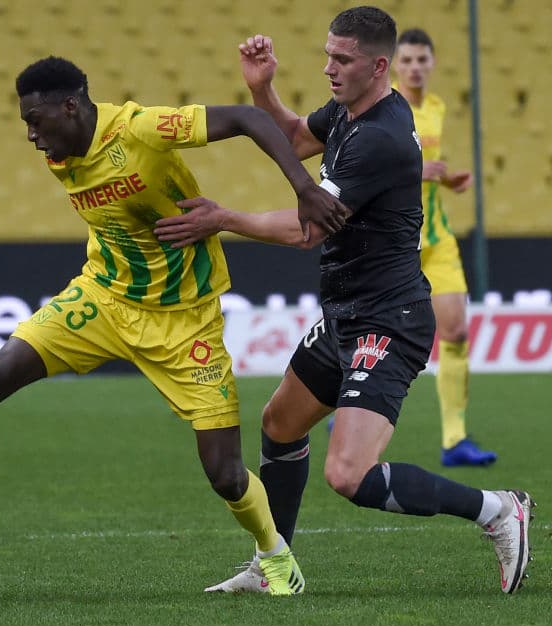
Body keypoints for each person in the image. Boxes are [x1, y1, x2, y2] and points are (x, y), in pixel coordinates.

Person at [0, 56, 347, 596]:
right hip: (102, 298)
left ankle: (274, 560)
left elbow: (246, 118)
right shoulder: (62, 148)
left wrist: (305, 188)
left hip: (185, 319)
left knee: (226, 474)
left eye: (35, 120)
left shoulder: (141, 128)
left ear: (70, 106)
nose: (30, 135)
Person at [154, 6, 531, 595]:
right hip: (345, 314)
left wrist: (224, 218)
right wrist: (263, 88)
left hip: (389, 318)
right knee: (279, 424)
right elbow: (298, 137)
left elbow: (309, 228)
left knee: (348, 474)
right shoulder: (354, 110)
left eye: (342, 59)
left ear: (378, 66)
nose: (329, 68)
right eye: (327, 54)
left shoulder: (379, 139)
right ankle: (273, 564)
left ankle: (498, 510)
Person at [392, 28, 495, 466]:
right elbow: (370, 169)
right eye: (408, 60)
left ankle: (455, 440)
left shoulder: (435, 108)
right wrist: (419, 172)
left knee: (455, 332)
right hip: (396, 241)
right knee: (378, 330)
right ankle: (347, 406)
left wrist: (445, 178)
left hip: (436, 237)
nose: (416, 67)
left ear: (433, 63)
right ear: (394, 65)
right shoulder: (385, 108)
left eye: (422, 60)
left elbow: (426, 171)